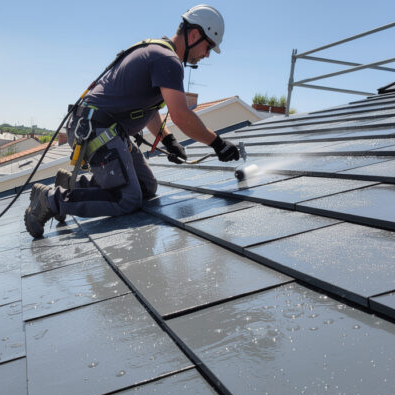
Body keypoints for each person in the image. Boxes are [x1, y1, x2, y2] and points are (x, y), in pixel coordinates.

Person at [25, 4, 241, 239]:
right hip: (95, 129)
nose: (207, 54)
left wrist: (167, 140)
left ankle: (72, 184)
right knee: (127, 199)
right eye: (208, 46)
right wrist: (217, 143)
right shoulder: (167, 60)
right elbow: (181, 115)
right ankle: (48, 200)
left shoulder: (158, 52)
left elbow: (147, 110)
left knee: (147, 187)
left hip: (99, 128)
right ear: (195, 34)